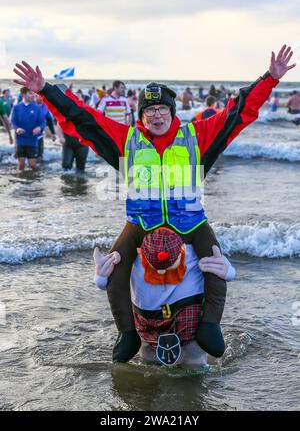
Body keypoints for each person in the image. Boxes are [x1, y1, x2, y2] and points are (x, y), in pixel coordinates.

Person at [13, 44, 296, 362]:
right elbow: (83, 119)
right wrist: (46, 91)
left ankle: (210, 327)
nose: (157, 115)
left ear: (172, 112)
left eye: (162, 109)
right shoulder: (128, 140)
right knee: (114, 270)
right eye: (150, 111)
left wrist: (270, 79)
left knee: (216, 262)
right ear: (142, 115)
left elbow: (237, 113)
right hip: (141, 223)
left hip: (190, 222)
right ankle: (127, 333)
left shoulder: (195, 137)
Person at [94, 227, 235, 366]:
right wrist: (102, 277)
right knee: (149, 356)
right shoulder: (136, 233)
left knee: (193, 358)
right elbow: (117, 271)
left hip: (185, 314)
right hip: (149, 321)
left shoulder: (193, 231)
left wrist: (227, 271)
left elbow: (214, 263)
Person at [11, 87, 44, 170]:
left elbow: (42, 122)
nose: (33, 95)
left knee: (32, 165)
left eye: (33, 93)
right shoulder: (16, 107)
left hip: (32, 140)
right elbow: (13, 122)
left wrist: (39, 128)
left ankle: (34, 181)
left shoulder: (37, 108)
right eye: (30, 93)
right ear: (23, 95)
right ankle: (20, 182)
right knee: (21, 165)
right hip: (20, 140)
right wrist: (17, 128)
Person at [34, 94, 56, 161]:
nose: (42, 98)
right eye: (40, 96)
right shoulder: (30, 105)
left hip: (40, 135)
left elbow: (49, 120)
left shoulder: (45, 106)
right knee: (30, 156)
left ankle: (38, 171)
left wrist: (53, 133)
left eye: (43, 97)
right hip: (30, 135)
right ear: (35, 96)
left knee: (40, 156)